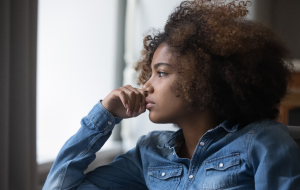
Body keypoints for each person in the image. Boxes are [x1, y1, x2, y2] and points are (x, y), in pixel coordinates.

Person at [43, 0, 300, 189]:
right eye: (150, 73)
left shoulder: (262, 140)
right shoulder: (149, 153)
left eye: (162, 73)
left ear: (205, 78)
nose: (146, 87)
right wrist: (104, 115)